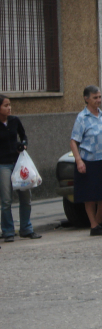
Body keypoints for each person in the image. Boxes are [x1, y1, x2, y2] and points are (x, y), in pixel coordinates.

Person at [70, 86, 102, 236]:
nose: (98, 100)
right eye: (95, 97)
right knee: (90, 196)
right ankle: (94, 225)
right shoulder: (82, 118)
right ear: (86, 98)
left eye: (99, 97)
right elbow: (74, 141)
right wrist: (79, 161)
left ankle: (99, 220)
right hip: (89, 161)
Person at [0, 94, 41, 243]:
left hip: (19, 164)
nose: (9, 108)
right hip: (3, 164)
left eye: (10, 105)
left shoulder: (15, 120)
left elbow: (24, 136)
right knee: (6, 200)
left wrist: (23, 144)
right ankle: (8, 231)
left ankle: (26, 228)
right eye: (5, 105)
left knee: (25, 197)